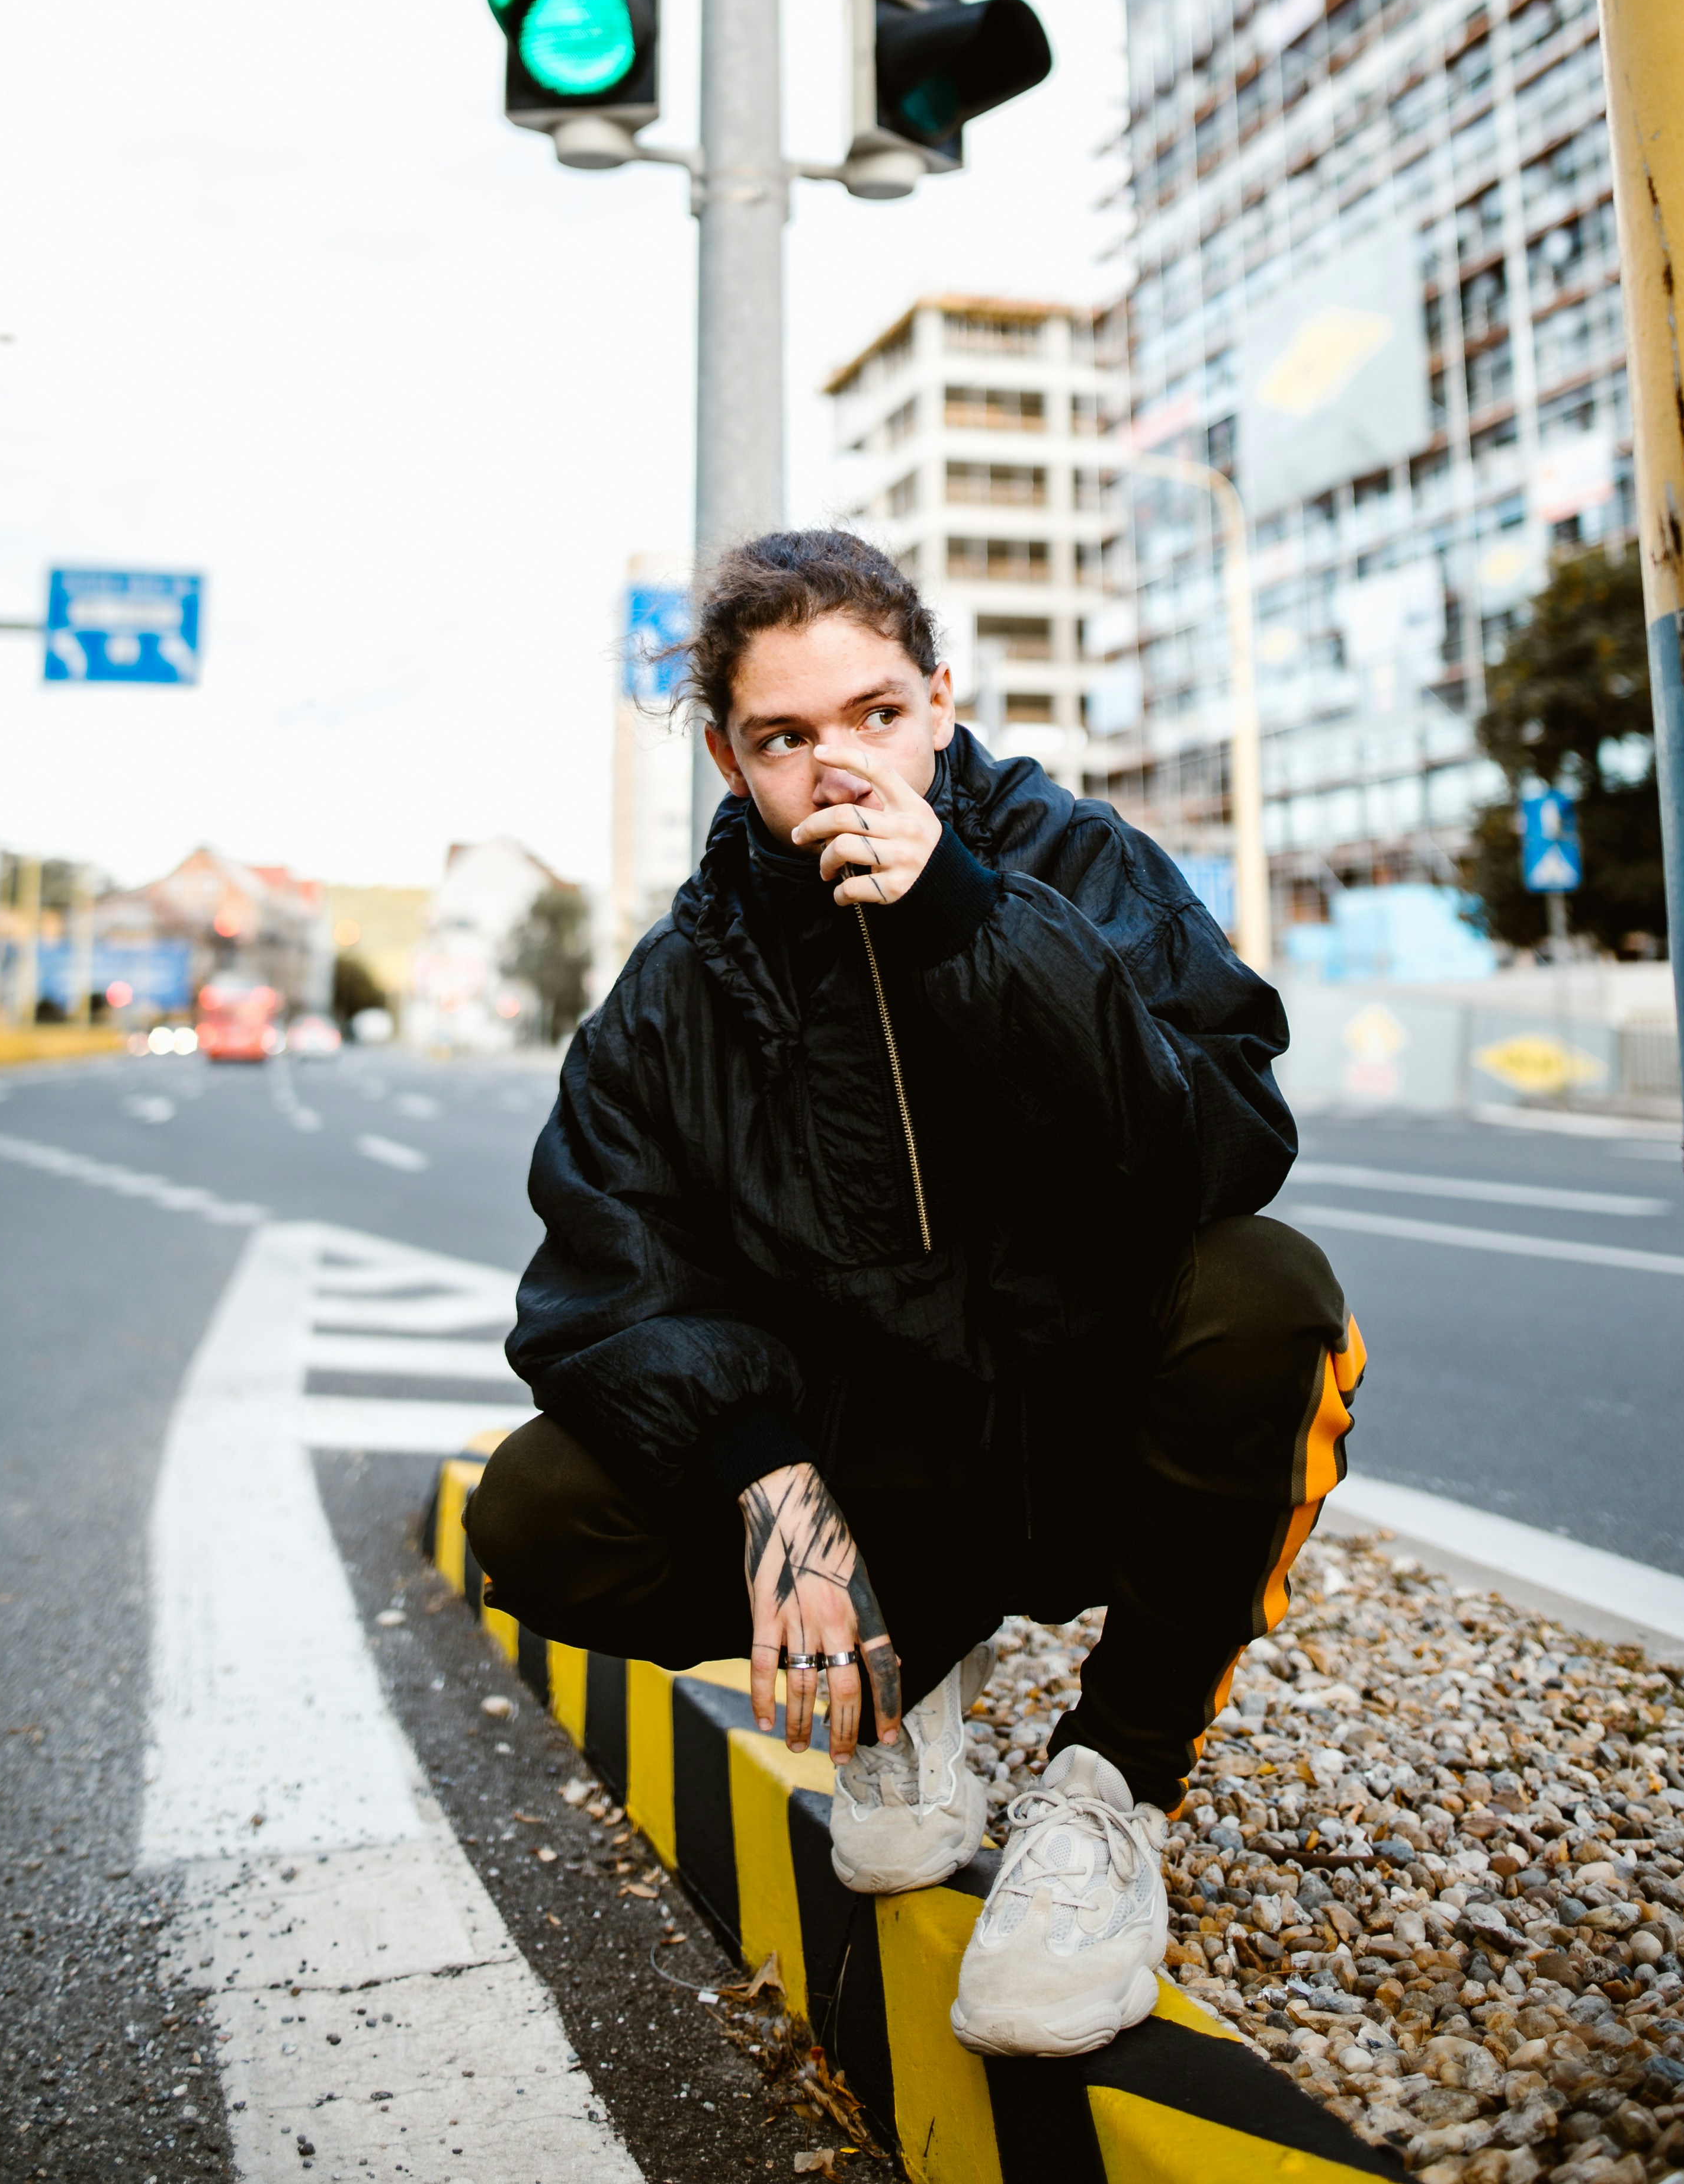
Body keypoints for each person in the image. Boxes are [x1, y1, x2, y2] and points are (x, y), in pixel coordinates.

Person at [469, 531, 1363, 2060]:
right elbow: (605, 1275)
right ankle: (902, 1678)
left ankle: (1108, 1793)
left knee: (1264, 1296)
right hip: (876, 1470)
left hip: (1079, 1442)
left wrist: (971, 923)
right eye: (786, 739)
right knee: (540, 1516)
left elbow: (1219, 1146)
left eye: (875, 716)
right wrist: (766, 1478)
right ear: (726, 757)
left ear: (941, 702)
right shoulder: (679, 987)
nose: (840, 769)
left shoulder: (1078, 867)